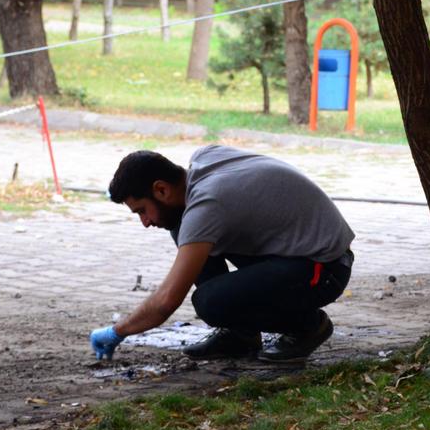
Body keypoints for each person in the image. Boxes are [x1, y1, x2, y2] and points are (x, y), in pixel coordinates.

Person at [89, 145, 355, 364]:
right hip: (289, 249)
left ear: (161, 189)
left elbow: (166, 302)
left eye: (142, 211)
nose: (145, 222)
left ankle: (307, 326)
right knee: (180, 224)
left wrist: (117, 331)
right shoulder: (204, 160)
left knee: (210, 302)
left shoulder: (207, 204)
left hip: (325, 267)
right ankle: (240, 335)